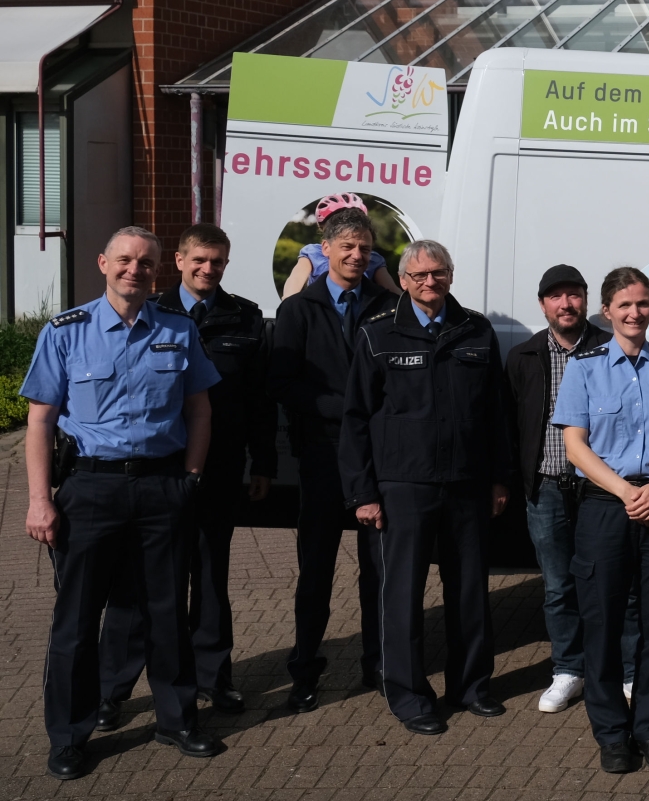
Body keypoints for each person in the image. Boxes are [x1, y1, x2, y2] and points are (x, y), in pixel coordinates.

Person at [24, 227, 223, 780]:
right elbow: (39, 421)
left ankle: (177, 720)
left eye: (146, 263)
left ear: (159, 270)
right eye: (125, 260)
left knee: (166, 613)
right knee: (77, 619)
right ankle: (68, 735)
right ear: (103, 263)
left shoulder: (179, 331)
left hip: (162, 488)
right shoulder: (67, 332)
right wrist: (40, 500)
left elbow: (200, 411)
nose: (135, 270)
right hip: (91, 490)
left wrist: (190, 476)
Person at [98, 225, 276, 727]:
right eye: (199, 259)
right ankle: (113, 690)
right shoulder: (150, 312)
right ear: (178, 261)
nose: (208, 269)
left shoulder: (244, 317)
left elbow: (259, 400)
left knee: (210, 577)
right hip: (157, 468)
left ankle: (213, 679)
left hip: (218, 471)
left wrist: (263, 462)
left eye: (217, 261)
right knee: (138, 583)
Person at [339, 240, 513, 735]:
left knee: (469, 593)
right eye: (418, 276)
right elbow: (354, 419)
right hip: (403, 486)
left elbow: (495, 413)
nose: (428, 283)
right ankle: (410, 695)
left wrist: (499, 477)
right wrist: (363, 493)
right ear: (404, 280)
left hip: (467, 483)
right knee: (402, 595)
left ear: (450, 276)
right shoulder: (378, 334)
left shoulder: (475, 330)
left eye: (437, 274)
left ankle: (472, 686)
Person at [554, 267, 649, 775]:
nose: (636, 313)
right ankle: (613, 734)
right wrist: (625, 491)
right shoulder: (586, 367)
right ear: (607, 312)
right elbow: (575, 443)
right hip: (605, 507)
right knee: (603, 623)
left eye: (643, 303)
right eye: (625, 305)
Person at [268, 205, 398, 712]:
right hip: (321, 458)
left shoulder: (387, 307)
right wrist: (346, 408)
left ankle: (379, 665)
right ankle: (304, 672)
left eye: (364, 249)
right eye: (346, 247)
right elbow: (281, 383)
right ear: (324, 251)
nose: (356, 255)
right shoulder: (300, 309)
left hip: (374, 460)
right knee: (315, 573)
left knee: (377, 571)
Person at [504, 264, 638, 716]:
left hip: (599, 488)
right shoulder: (523, 357)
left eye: (573, 295)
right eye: (556, 297)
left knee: (615, 582)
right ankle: (569, 669)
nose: (566, 304)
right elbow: (510, 425)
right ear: (542, 304)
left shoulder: (610, 347)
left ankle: (625, 670)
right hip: (545, 488)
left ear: (587, 301)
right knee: (559, 585)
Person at [279, 193, 400, 299]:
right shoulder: (312, 253)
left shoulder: (373, 259)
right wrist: (288, 301)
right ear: (323, 228)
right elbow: (296, 279)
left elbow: (391, 289)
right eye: (335, 222)